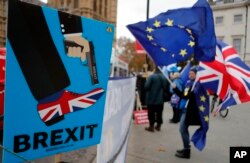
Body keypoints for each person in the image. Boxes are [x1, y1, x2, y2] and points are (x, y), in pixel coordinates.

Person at [171, 66, 201, 159]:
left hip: (189, 111)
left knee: (182, 129)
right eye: (189, 73)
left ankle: (187, 151)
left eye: (192, 73)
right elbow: (183, 95)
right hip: (184, 109)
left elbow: (190, 96)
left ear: (196, 74)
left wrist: (188, 93)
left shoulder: (198, 84)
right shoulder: (189, 83)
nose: (190, 75)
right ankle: (186, 147)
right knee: (184, 129)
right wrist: (175, 88)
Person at [144, 67, 169, 132]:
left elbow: (146, 86)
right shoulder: (164, 77)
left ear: (155, 70)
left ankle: (151, 127)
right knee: (159, 113)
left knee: (151, 113)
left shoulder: (151, 77)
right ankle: (158, 126)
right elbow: (166, 87)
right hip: (160, 99)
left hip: (151, 98)